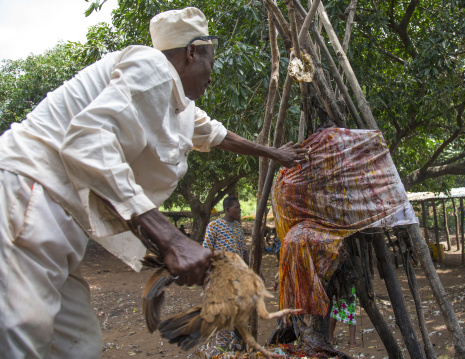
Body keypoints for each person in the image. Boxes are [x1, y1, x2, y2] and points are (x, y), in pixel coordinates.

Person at [0, 7, 306, 358]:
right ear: (191, 52)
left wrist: (275, 154)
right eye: (209, 60)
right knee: (20, 334)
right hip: (30, 191)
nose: (211, 76)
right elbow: (86, 142)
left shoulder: (180, 105)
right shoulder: (153, 67)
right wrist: (172, 240)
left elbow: (218, 135)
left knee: (77, 345)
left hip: (61, 218)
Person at [202, 196, 248, 350]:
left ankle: (236, 345)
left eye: (240, 207)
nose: (240, 210)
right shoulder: (213, 226)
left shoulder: (238, 227)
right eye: (237, 207)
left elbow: (244, 250)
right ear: (227, 209)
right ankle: (222, 348)